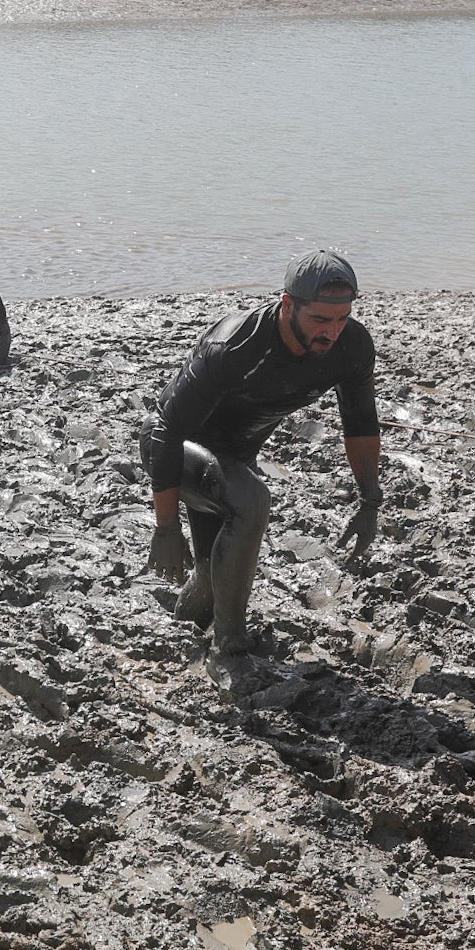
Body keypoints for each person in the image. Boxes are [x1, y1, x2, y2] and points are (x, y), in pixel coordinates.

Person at [141, 250, 381, 656]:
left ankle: (181, 638)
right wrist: (165, 528)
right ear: (288, 304)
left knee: (210, 572)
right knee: (252, 501)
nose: (332, 331)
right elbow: (167, 432)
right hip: (175, 450)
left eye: (341, 318)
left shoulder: (351, 345)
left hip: (232, 463)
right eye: (320, 320)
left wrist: (370, 501)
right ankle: (229, 648)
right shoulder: (234, 347)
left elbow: (360, 424)